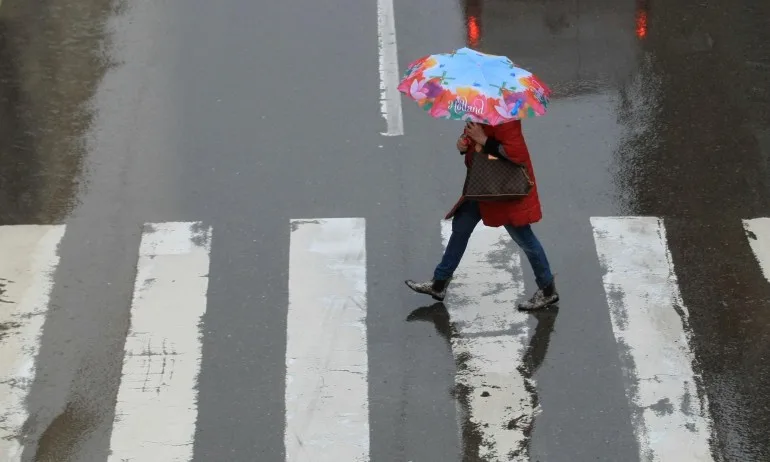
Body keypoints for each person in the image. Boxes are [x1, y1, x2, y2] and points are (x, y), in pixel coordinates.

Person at [405, 120, 558, 310]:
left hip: (504, 192)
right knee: (461, 227)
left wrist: (484, 140)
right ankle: (439, 282)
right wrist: (464, 144)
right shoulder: (480, 112)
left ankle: (547, 290)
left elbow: (516, 154)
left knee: (525, 239)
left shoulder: (505, 118)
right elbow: (474, 147)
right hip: (484, 189)